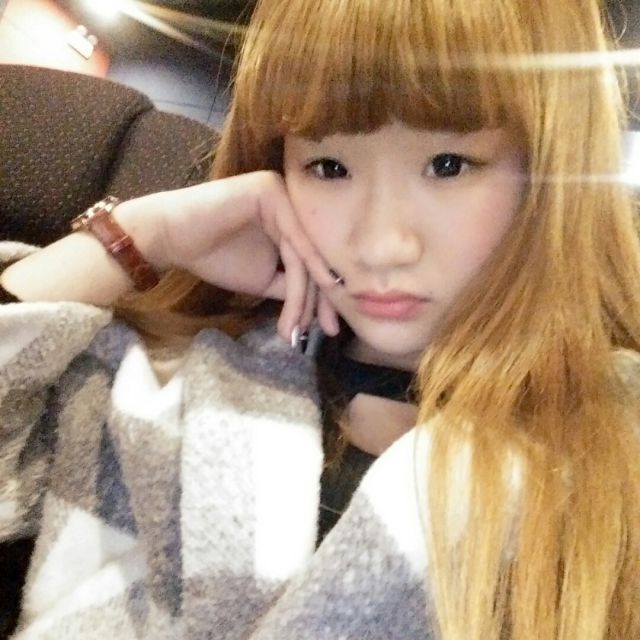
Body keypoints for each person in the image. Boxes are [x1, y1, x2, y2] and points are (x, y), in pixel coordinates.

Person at [1, 0, 639, 637]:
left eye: (449, 165)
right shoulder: (167, 379)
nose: (380, 245)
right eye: (328, 167)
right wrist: (140, 237)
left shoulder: (614, 451)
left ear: (548, 177)